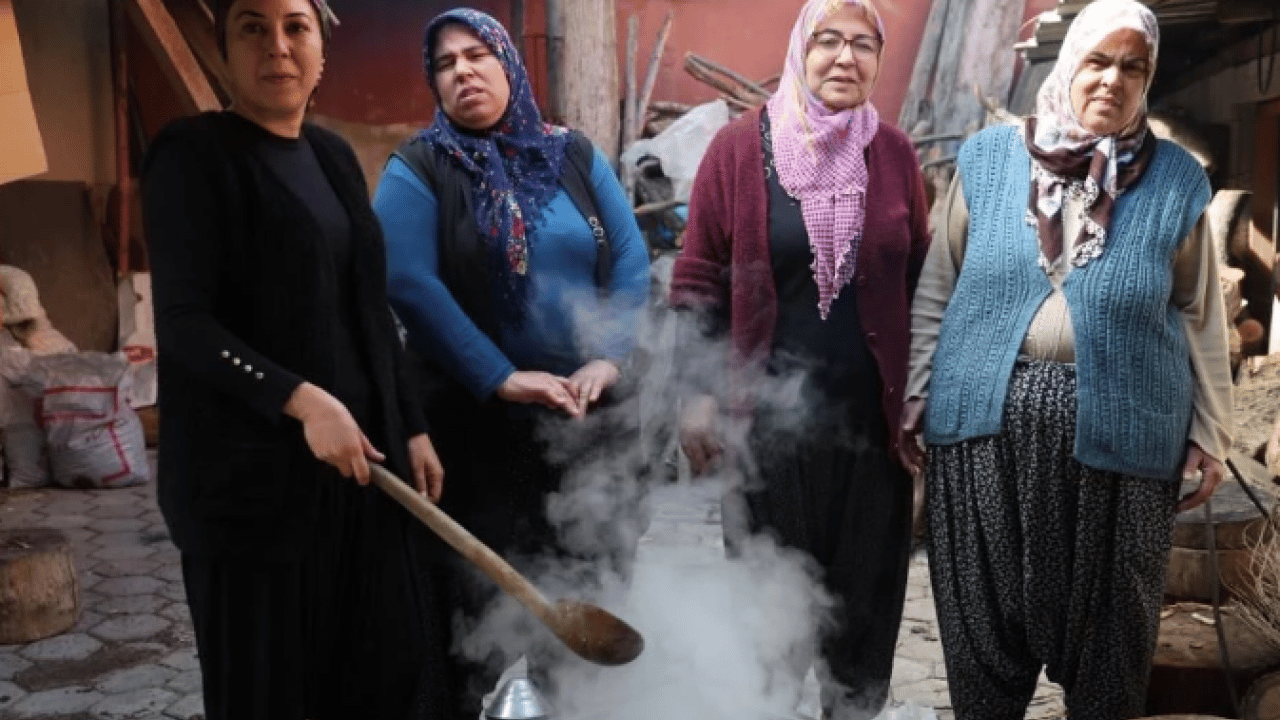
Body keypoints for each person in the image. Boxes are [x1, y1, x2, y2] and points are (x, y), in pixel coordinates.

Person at [903, 1, 1232, 717]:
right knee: (981, 625)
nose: (1113, 79)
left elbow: (1198, 312)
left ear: (1147, 81)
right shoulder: (989, 162)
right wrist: (917, 391)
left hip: (1125, 441)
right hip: (983, 432)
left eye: (1133, 67)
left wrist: (1212, 433)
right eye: (1098, 61)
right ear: (1068, 62)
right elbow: (939, 285)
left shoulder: (1175, 181)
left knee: (1113, 633)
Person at [140, 1, 448, 718]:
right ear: (224, 51)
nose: (275, 45)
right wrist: (301, 400)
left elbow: (367, 308)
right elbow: (185, 323)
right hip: (250, 499)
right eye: (252, 26)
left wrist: (409, 424)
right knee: (271, 694)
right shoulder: (192, 155)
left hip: (360, 478)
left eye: (294, 26)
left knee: (376, 678)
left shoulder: (332, 156)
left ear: (320, 52)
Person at [372, 8, 650, 717]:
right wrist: (498, 374)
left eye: (478, 54)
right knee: (471, 623)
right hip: (473, 432)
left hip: (583, 427)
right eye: (445, 62)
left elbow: (629, 258)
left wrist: (610, 357)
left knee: (585, 603)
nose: (463, 70)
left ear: (508, 63)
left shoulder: (573, 155)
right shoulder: (420, 167)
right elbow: (407, 281)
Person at [671, 0, 929, 716]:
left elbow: (919, 279)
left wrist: (922, 393)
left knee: (864, 616)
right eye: (829, 41)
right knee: (767, 623)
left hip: (870, 436)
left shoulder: (896, 154)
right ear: (800, 49)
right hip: (767, 433)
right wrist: (695, 393)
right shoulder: (737, 151)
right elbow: (695, 277)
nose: (846, 58)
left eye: (863, 44)